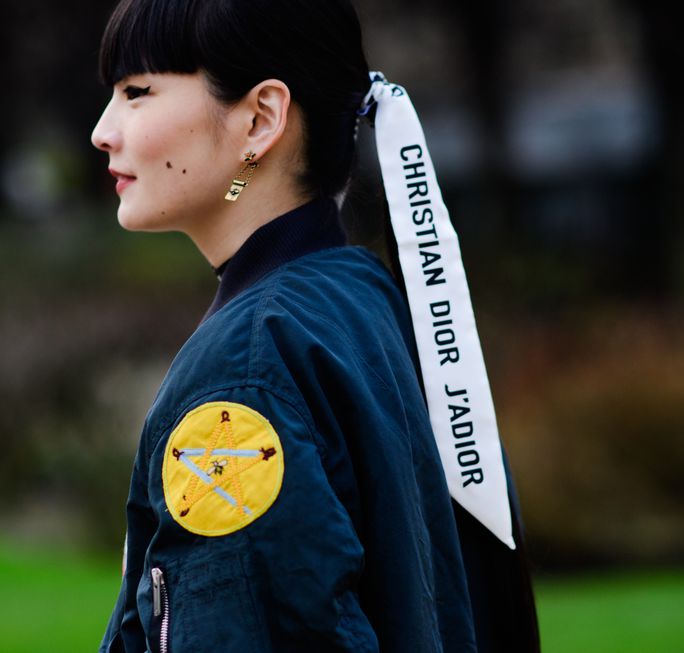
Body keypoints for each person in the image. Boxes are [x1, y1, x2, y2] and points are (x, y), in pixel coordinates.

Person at [89, 1, 539, 651]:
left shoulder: (247, 368)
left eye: (137, 92)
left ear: (260, 119)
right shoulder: (361, 300)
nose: (103, 131)